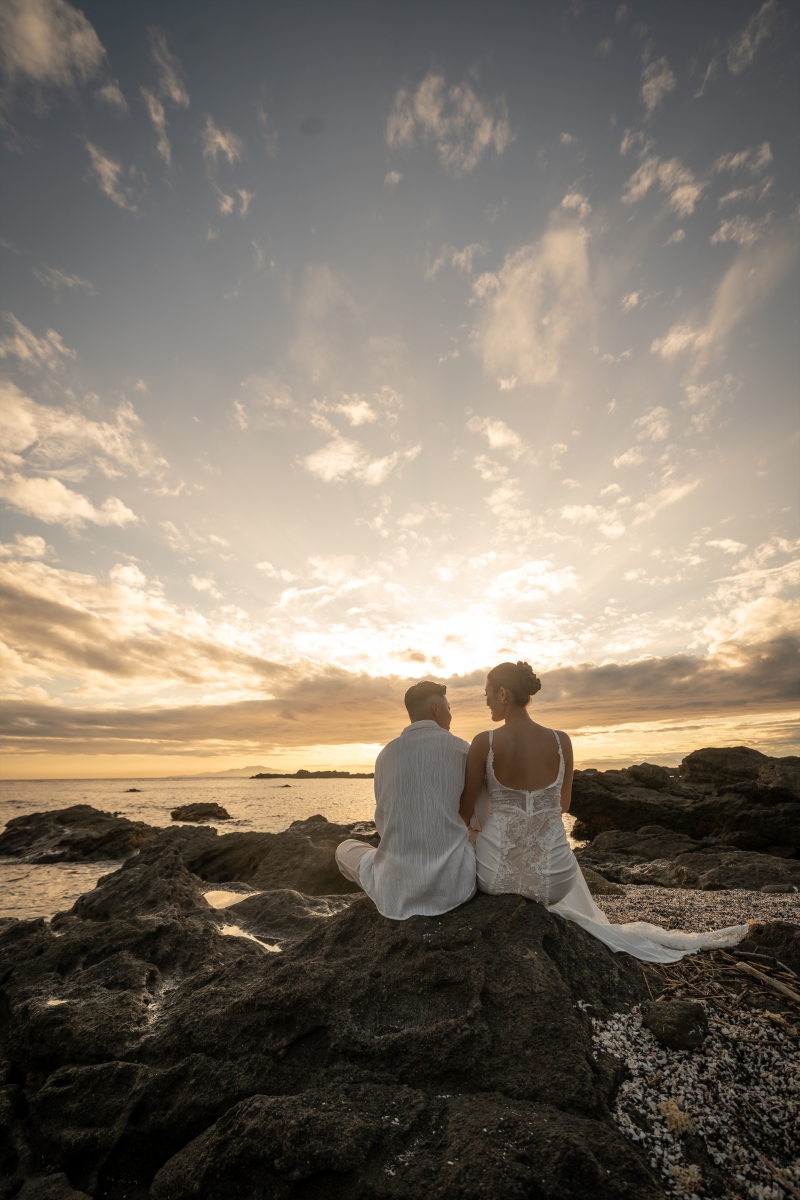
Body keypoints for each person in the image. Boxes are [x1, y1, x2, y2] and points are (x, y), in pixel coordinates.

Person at [458, 660, 749, 963]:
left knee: (472, 836)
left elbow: (463, 813)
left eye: (487, 694)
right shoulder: (562, 741)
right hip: (555, 880)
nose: (487, 701)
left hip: (497, 878)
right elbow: (563, 807)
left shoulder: (484, 742)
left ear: (503, 693)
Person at [335, 680, 476, 920]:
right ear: (436, 707)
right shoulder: (463, 749)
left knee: (343, 849)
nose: (450, 716)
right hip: (453, 887)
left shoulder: (385, 755)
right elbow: (479, 814)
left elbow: (383, 822)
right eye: (449, 708)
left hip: (393, 889)